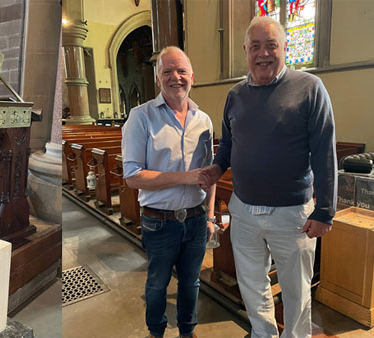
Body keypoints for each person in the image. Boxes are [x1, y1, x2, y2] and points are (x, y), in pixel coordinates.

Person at [201, 16, 337, 338]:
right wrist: (216, 169)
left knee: (296, 293)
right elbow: (230, 143)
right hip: (244, 211)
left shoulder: (309, 88)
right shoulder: (235, 95)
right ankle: (263, 334)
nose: (264, 54)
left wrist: (325, 210)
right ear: (245, 50)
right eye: (256, 46)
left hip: (292, 214)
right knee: (251, 286)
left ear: (284, 49)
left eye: (271, 45)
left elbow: (324, 151)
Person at [122, 46, 216, 338]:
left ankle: (188, 332)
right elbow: (133, 176)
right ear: (157, 78)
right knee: (157, 284)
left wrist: (211, 216)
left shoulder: (204, 120)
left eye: (182, 71)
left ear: (192, 76)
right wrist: (184, 177)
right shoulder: (141, 117)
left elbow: (209, 174)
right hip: (159, 221)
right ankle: (156, 333)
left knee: (191, 284)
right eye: (167, 71)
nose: (176, 77)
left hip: (197, 220)